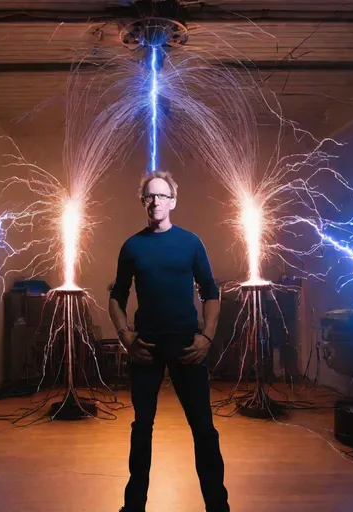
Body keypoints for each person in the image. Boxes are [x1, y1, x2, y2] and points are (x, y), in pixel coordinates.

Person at [109, 171, 230, 512]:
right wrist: (125, 336)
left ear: (173, 201)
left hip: (187, 347)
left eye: (162, 196)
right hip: (145, 348)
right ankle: (133, 507)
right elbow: (116, 297)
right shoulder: (131, 247)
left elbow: (211, 292)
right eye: (150, 196)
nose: (156, 201)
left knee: (204, 429)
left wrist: (207, 335)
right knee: (142, 427)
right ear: (142, 201)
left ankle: (218, 507)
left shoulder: (191, 243)